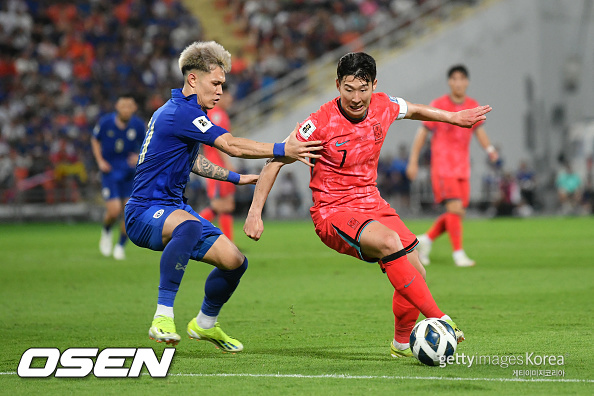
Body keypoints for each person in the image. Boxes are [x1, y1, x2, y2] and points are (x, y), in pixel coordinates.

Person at [244, 52, 491, 358]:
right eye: (349, 89)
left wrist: (453, 118)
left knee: (417, 273)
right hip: (332, 210)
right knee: (390, 242)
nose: (357, 98)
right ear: (337, 85)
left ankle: (401, 344)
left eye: (363, 89)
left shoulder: (383, 105)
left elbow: (413, 110)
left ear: (375, 85)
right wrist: (255, 212)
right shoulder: (319, 123)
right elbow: (274, 161)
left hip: (371, 201)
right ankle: (440, 319)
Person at [124, 41, 321, 352]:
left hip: (172, 207)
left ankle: (204, 324)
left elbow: (193, 161)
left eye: (222, 84)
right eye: (215, 83)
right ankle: (162, 316)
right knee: (188, 226)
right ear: (193, 79)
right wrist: (284, 149)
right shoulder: (180, 112)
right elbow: (231, 145)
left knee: (235, 262)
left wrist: (235, 177)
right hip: (144, 211)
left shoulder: (183, 111)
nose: (220, 91)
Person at [406, 65, 499, 267]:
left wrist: (490, 149)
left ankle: (426, 240)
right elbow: (422, 133)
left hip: (462, 168)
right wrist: (413, 161)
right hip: (442, 167)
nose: (458, 83)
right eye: (454, 79)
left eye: (461, 79)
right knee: (455, 208)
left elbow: (479, 131)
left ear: (467, 82)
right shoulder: (439, 104)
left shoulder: (472, 105)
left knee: (456, 213)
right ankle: (458, 254)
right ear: (449, 82)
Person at [91, 93, 146, 260]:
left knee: (129, 212)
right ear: (117, 107)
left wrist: (138, 156)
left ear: (134, 108)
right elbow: (95, 140)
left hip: (129, 173)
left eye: (129, 106)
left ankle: (120, 246)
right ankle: (107, 231)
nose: (126, 109)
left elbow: (147, 145)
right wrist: (100, 161)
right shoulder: (106, 122)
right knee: (114, 210)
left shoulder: (138, 125)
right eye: (123, 106)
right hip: (110, 172)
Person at [198, 84, 236, 241]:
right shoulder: (216, 115)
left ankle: (229, 242)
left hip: (218, 164)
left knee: (227, 205)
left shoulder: (219, 114)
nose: (230, 99)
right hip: (217, 166)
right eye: (227, 95)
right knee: (219, 205)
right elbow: (218, 142)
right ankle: (190, 230)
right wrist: (228, 162)